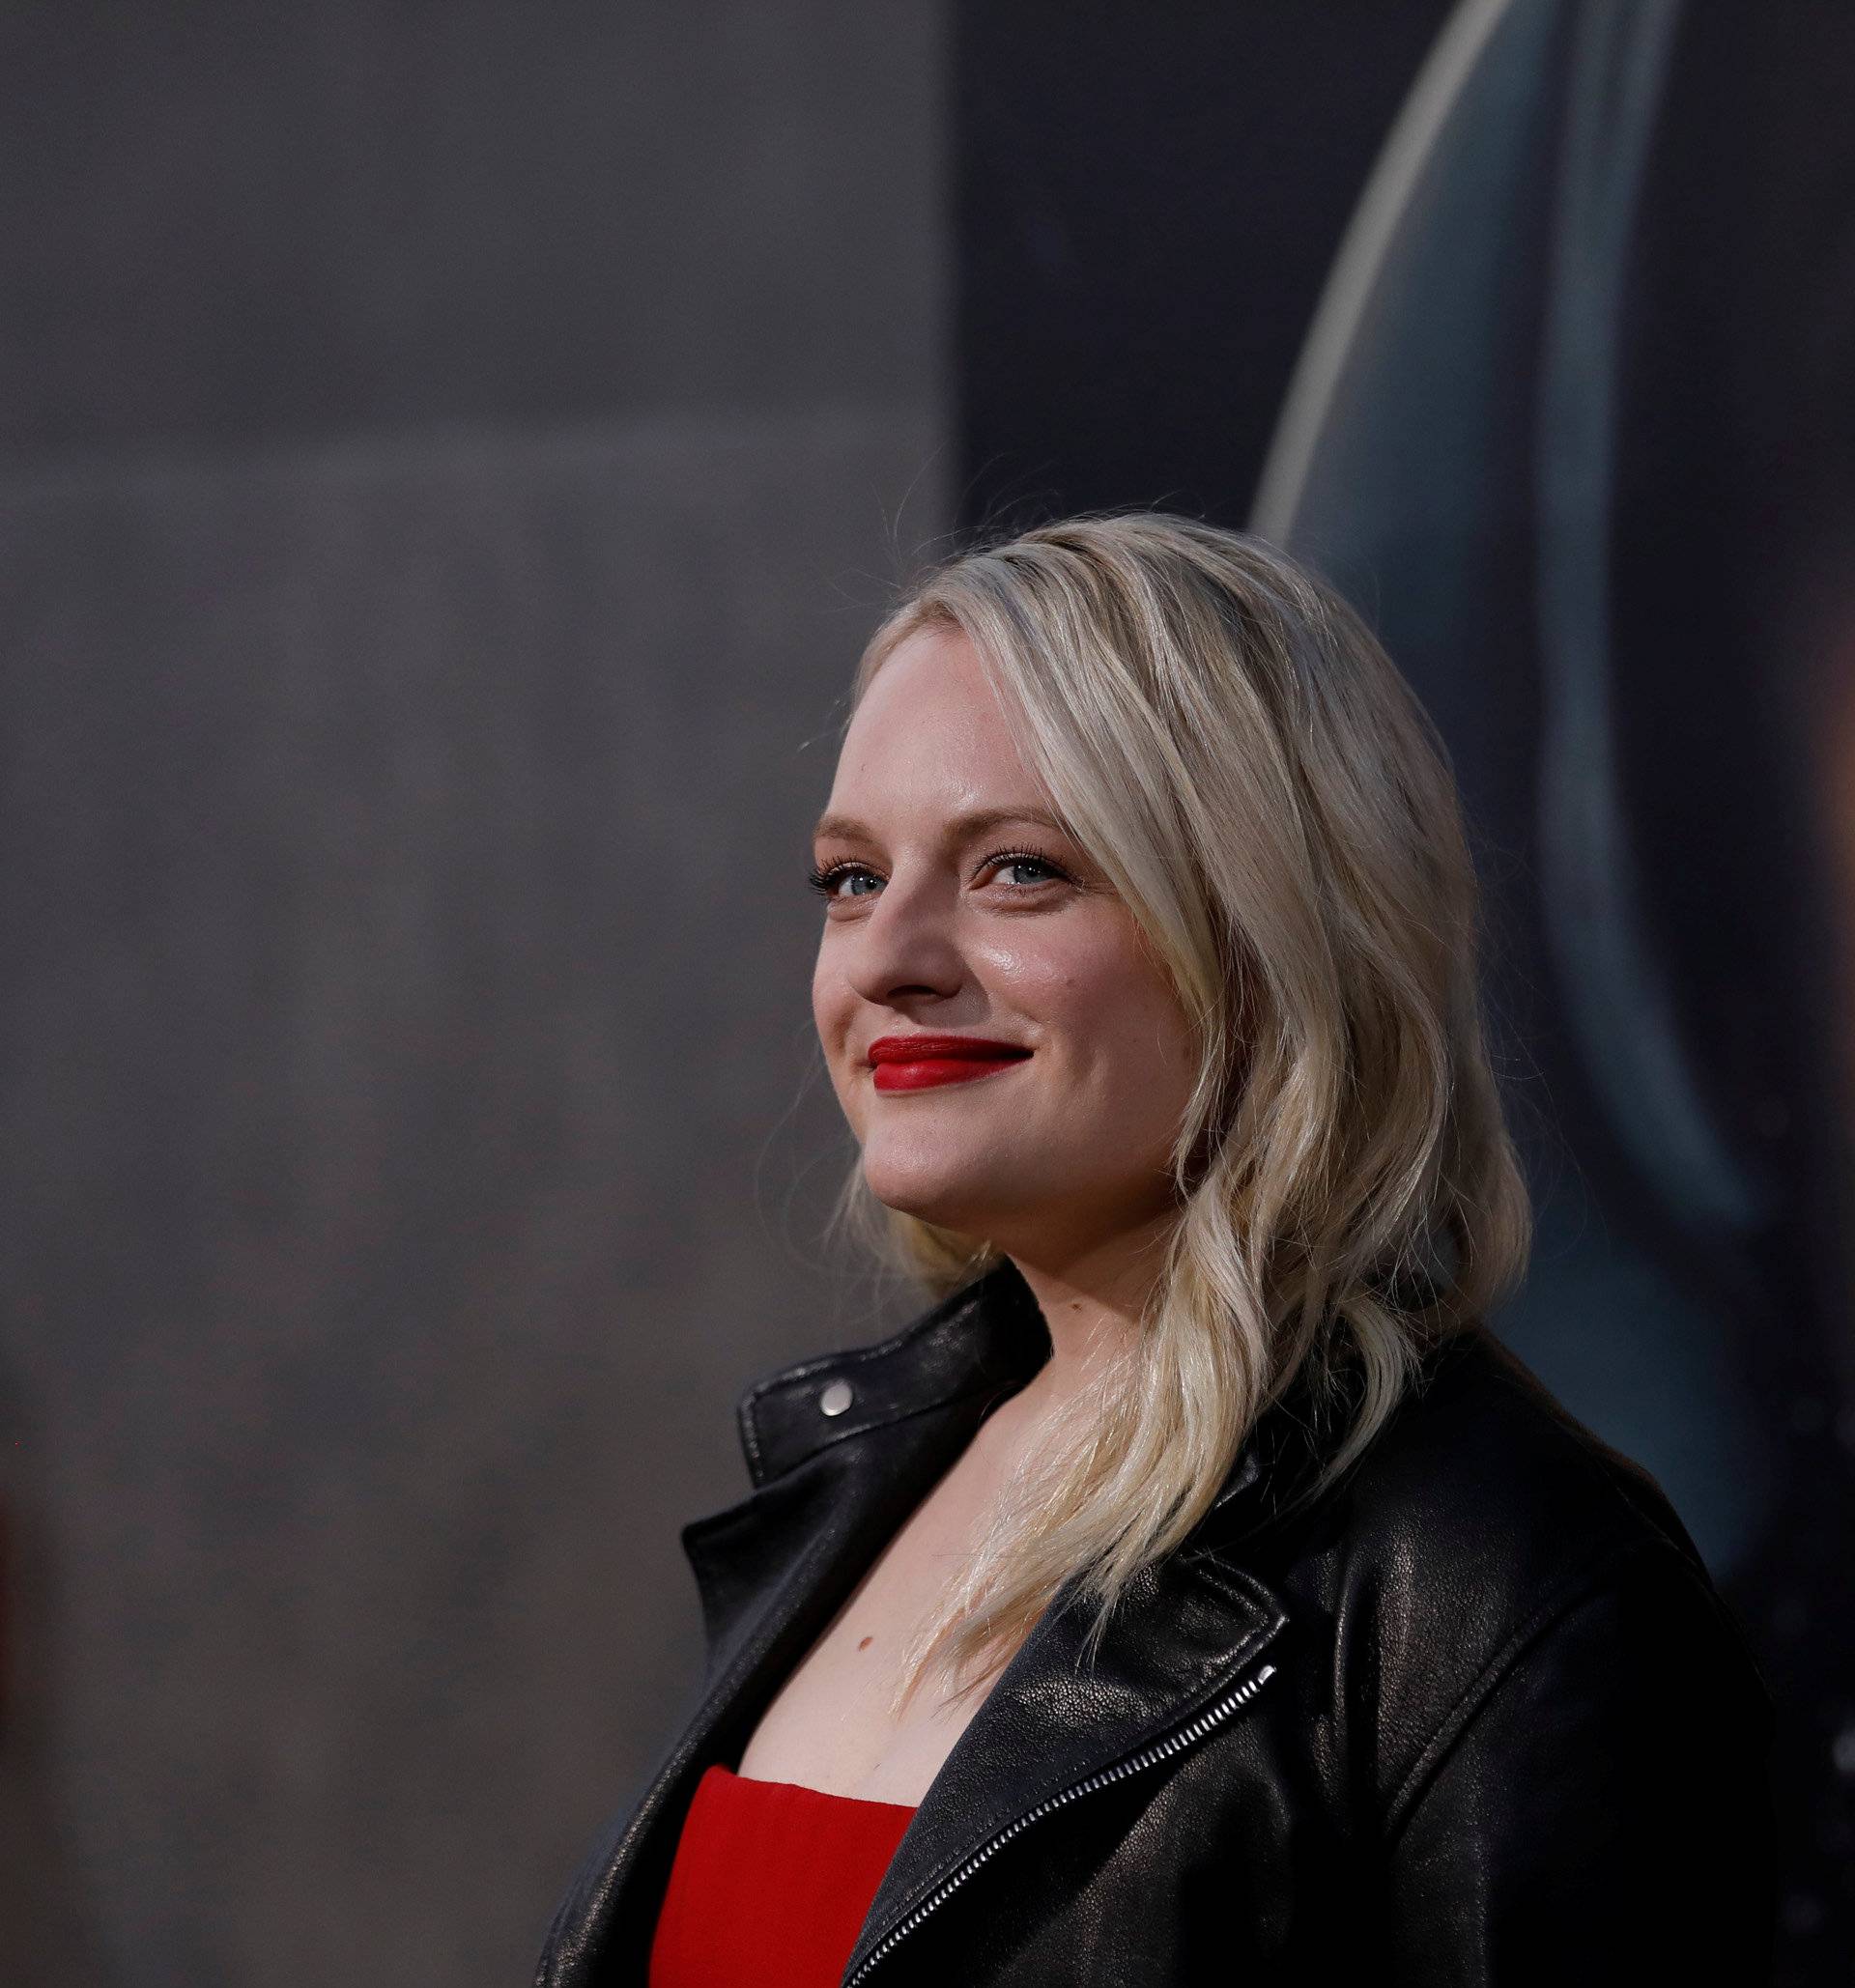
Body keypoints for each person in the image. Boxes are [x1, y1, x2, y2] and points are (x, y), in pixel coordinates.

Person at [533, 515, 1775, 1986]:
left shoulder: (1501, 1592)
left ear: (1267, 936)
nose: (888, 957)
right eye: (852, 878)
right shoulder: (855, 1489)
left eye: (1018, 869)